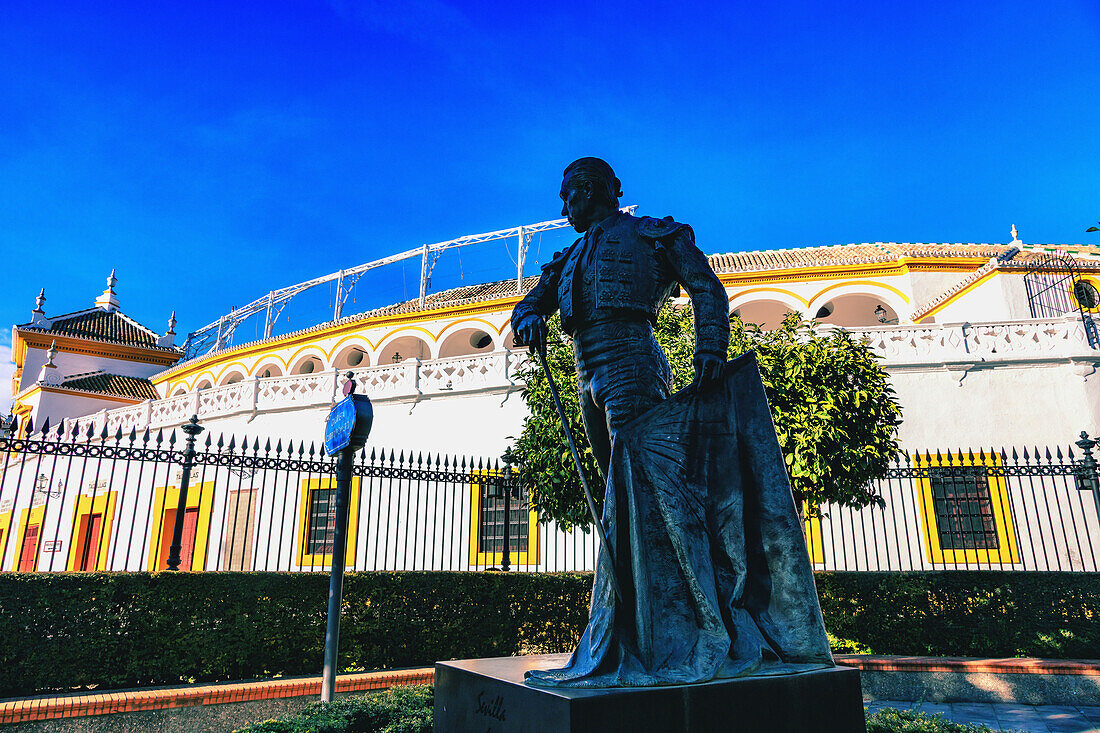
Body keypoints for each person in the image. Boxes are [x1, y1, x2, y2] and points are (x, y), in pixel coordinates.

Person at [512, 158, 834, 688]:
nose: (562, 206)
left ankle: (682, 625)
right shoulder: (567, 257)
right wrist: (527, 315)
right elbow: (533, 302)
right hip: (583, 371)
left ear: (589, 190)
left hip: (631, 360)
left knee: (648, 492)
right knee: (624, 498)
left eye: (567, 195)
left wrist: (710, 345)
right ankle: (637, 624)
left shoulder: (651, 234)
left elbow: (705, 287)